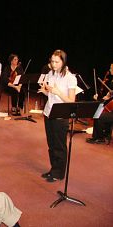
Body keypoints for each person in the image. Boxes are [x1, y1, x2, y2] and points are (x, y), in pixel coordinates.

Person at [38, 49, 77, 182]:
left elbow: (71, 100)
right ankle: (53, 168)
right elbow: (51, 94)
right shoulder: (50, 74)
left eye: (56, 62)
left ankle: (59, 173)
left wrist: (57, 92)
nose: (53, 64)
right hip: (49, 112)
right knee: (51, 144)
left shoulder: (70, 78)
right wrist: (45, 91)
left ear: (63, 62)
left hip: (61, 115)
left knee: (59, 145)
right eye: (52, 61)